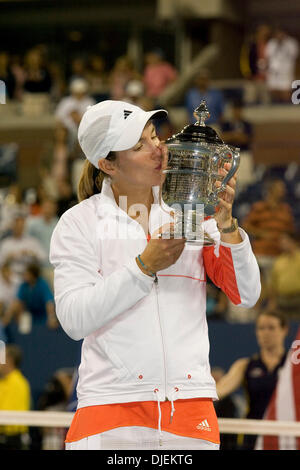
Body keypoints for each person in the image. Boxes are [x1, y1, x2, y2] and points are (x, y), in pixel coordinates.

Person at [49, 99, 261, 450]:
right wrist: (143, 267)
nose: (158, 149)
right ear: (108, 164)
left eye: (153, 135)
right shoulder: (79, 223)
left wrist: (226, 224)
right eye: (139, 145)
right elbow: (73, 319)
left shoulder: (193, 212)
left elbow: (247, 294)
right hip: (110, 410)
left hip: (191, 411)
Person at [216, 309, 288, 450]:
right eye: (261, 328)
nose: (266, 333)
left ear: (284, 330)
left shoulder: (293, 366)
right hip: (252, 435)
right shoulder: (245, 366)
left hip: (287, 432)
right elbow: (218, 391)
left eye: (271, 327)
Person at [2, 262, 58, 330]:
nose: (24, 276)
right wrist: (7, 317)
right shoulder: (23, 285)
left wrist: (51, 318)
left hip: (43, 316)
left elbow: (49, 303)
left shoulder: (42, 284)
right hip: (30, 316)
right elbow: (17, 302)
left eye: (26, 274)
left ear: (32, 275)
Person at [0, 344, 31, 450]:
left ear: (9, 360)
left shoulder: (17, 383)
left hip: (12, 439)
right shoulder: (3, 382)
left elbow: (7, 413)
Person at [268, 232, 300, 318]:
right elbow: (273, 285)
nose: (282, 243)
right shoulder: (279, 261)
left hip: (298, 299)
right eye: (281, 241)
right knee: (283, 325)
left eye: (285, 240)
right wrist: (272, 304)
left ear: (294, 241)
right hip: (282, 300)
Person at [265, 27, 299, 103]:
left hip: (286, 72)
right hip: (273, 72)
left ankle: (286, 109)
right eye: (277, 34)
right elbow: (267, 57)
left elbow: (295, 58)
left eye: (281, 34)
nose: (279, 36)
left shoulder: (292, 43)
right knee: (273, 91)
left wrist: (296, 74)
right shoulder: (271, 43)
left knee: (286, 92)